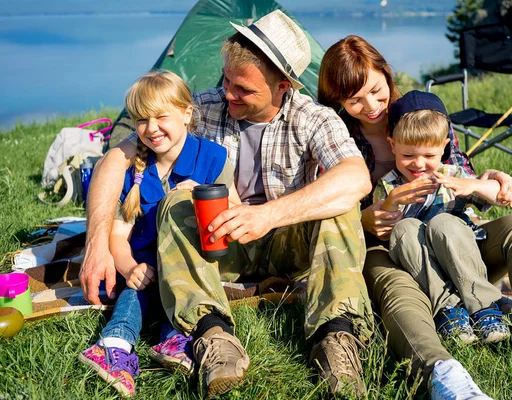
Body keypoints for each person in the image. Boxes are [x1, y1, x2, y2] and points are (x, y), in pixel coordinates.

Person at [80, 11, 374, 398]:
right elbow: (114, 159)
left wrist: (269, 215)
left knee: (340, 202)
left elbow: (357, 177)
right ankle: (213, 336)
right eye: (226, 80)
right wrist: (97, 244)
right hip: (221, 245)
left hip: (287, 245)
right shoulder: (203, 107)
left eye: (244, 90)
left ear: (283, 86)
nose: (229, 94)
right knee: (180, 199)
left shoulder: (312, 119)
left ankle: (336, 342)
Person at [319, 35, 512, 399]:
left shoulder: (422, 114)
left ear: (387, 77)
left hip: (454, 239)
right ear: (337, 99)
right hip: (391, 248)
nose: (371, 106)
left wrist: (489, 180)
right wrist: (367, 219)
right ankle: (443, 374)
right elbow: (329, 211)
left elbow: (460, 173)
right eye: (354, 100)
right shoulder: (334, 134)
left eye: (377, 90)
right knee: (394, 280)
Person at [78, 70, 240, 397]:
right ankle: (114, 344)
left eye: (160, 117)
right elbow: (118, 235)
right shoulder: (134, 169)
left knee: (178, 289)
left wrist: (205, 193)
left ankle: (173, 338)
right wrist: (127, 267)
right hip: (146, 264)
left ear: (186, 114)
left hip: (190, 262)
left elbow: (234, 211)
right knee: (138, 290)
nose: (151, 128)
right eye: (141, 120)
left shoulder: (211, 157)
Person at [374, 90, 510, 345]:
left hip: (461, 259)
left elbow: (496, 195)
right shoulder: (389, 185)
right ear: (392, 146)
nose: (418, 164)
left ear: (444, 147)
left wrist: (475, 186)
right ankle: (449, 310)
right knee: (404, 229)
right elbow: (381, 225)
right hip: (424, 268)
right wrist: (393, 200)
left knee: (444, 222)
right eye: (408, 155)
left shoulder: (452, 174)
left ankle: (483, 305)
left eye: (429, 156)